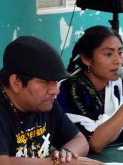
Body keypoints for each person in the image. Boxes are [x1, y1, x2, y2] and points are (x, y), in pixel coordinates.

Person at [0, 36, 102, 164]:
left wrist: (65, 156)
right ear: (16, 82)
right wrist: (54, 163)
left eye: (56, 82)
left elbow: (80, 140)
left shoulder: (45, 102)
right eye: (45, 81)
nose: (55, 90)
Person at [57, 25, 123, 153]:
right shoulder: (71, 89)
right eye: (108, 54)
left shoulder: (119, 82)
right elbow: (94, 143)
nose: (118, 60)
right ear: (86, 59)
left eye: (120, 52)